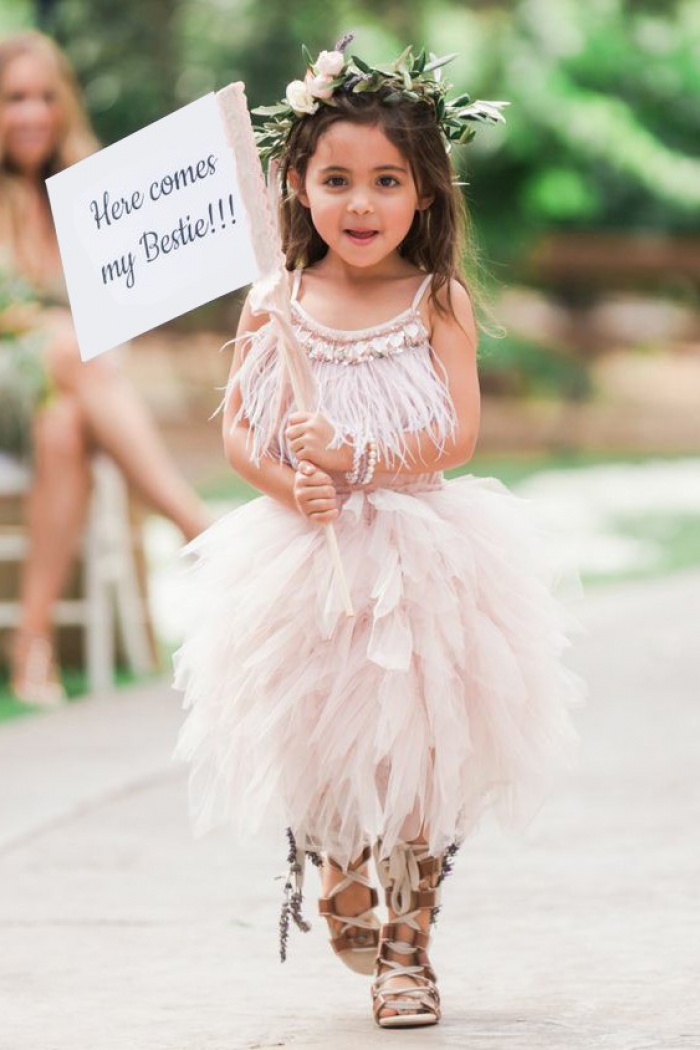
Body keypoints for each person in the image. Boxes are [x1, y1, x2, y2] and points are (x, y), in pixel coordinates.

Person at [174, 38, 581, 1029]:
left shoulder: (436, 300)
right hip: (303, 561)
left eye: (386, 182)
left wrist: (354, 452)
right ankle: (336, 863)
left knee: (418, 756)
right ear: (297, 186)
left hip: (421, 556)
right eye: (337, 180)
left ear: (425, 194)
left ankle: (410, 949)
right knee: (317, 737)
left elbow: (455, 431)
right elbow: (235, 428)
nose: (360, 205)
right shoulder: (277, 301)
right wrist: (288, 479)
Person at [0, 30, 210, 707]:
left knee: (63, 423)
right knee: (67, 346)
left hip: (57, 395)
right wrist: (46, 329)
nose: (31, 114)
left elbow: (121, 303)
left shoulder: (86, 191)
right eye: (12, 99)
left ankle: (31, 645)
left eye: (42, 97)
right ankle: (196, 529)